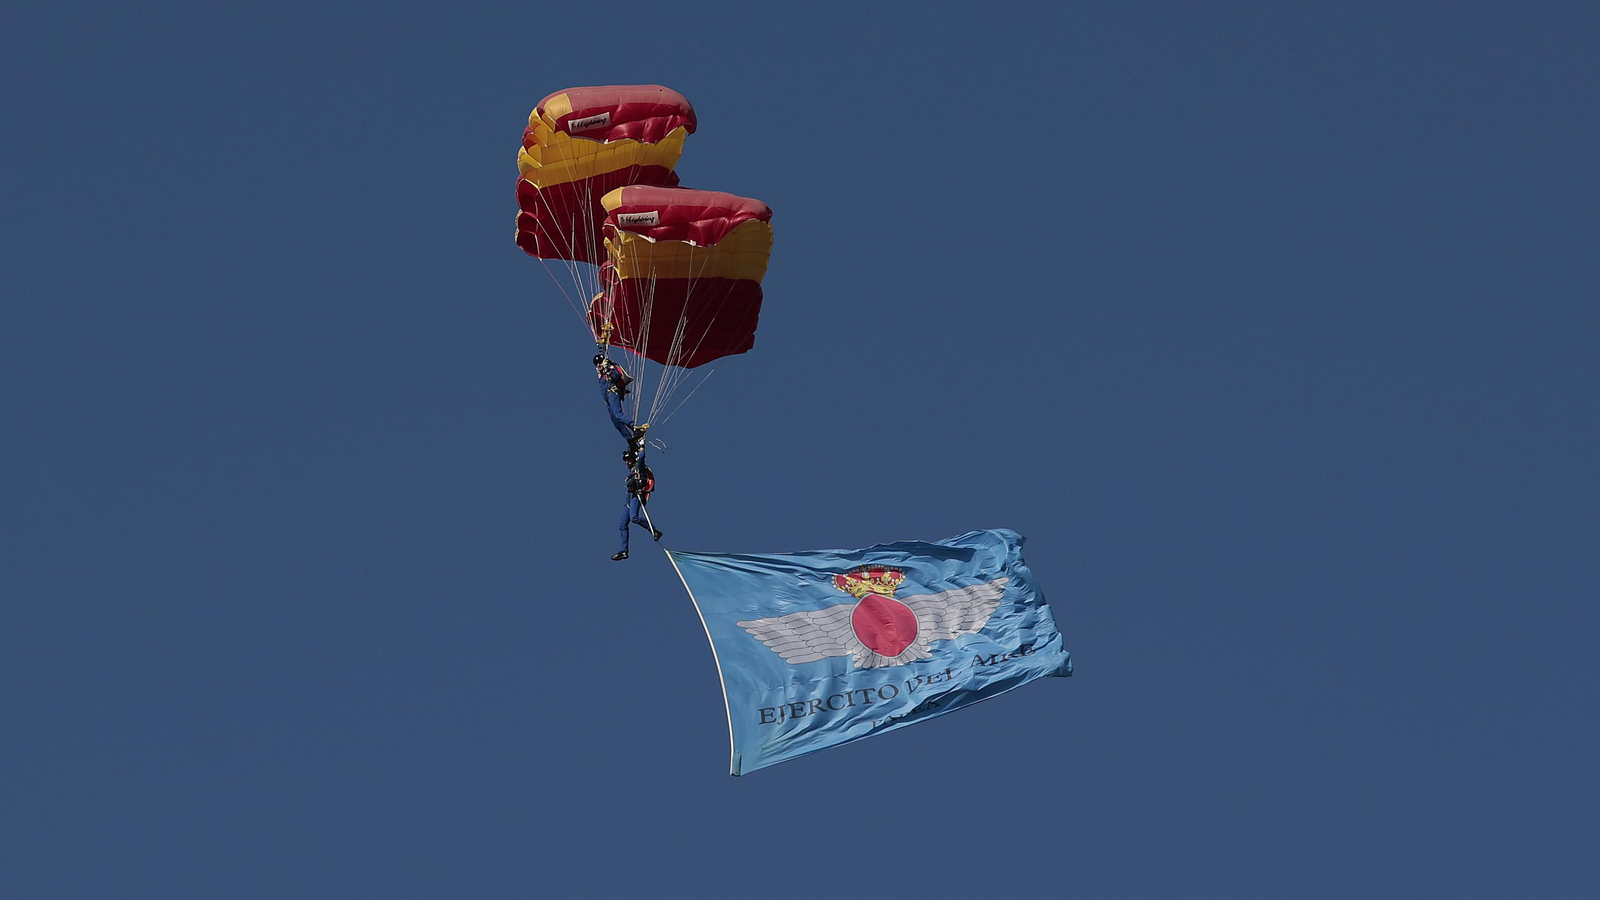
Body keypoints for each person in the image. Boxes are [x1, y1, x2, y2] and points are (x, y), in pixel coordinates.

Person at [612, 447, 662, 560]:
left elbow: (642, 458)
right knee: (622, 525)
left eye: (628, 460)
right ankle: (623, 550)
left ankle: (654, 530)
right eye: (626, 460)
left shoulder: (639, 467)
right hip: (629, 500)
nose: (627, 462)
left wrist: (642, 448)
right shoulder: (631, 472)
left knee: (634, 517)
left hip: (637, 496)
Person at [595, 354, 648, 447]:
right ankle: (631, 442)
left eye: (599, 363)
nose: (598, 365)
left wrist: (609, 370)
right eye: (596, 364)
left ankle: (635, 428)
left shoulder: (611, 369)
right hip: (608, 400)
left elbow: (617, 377)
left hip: (613, 392)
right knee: (616, 423)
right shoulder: (601, 376)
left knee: (618, 414)